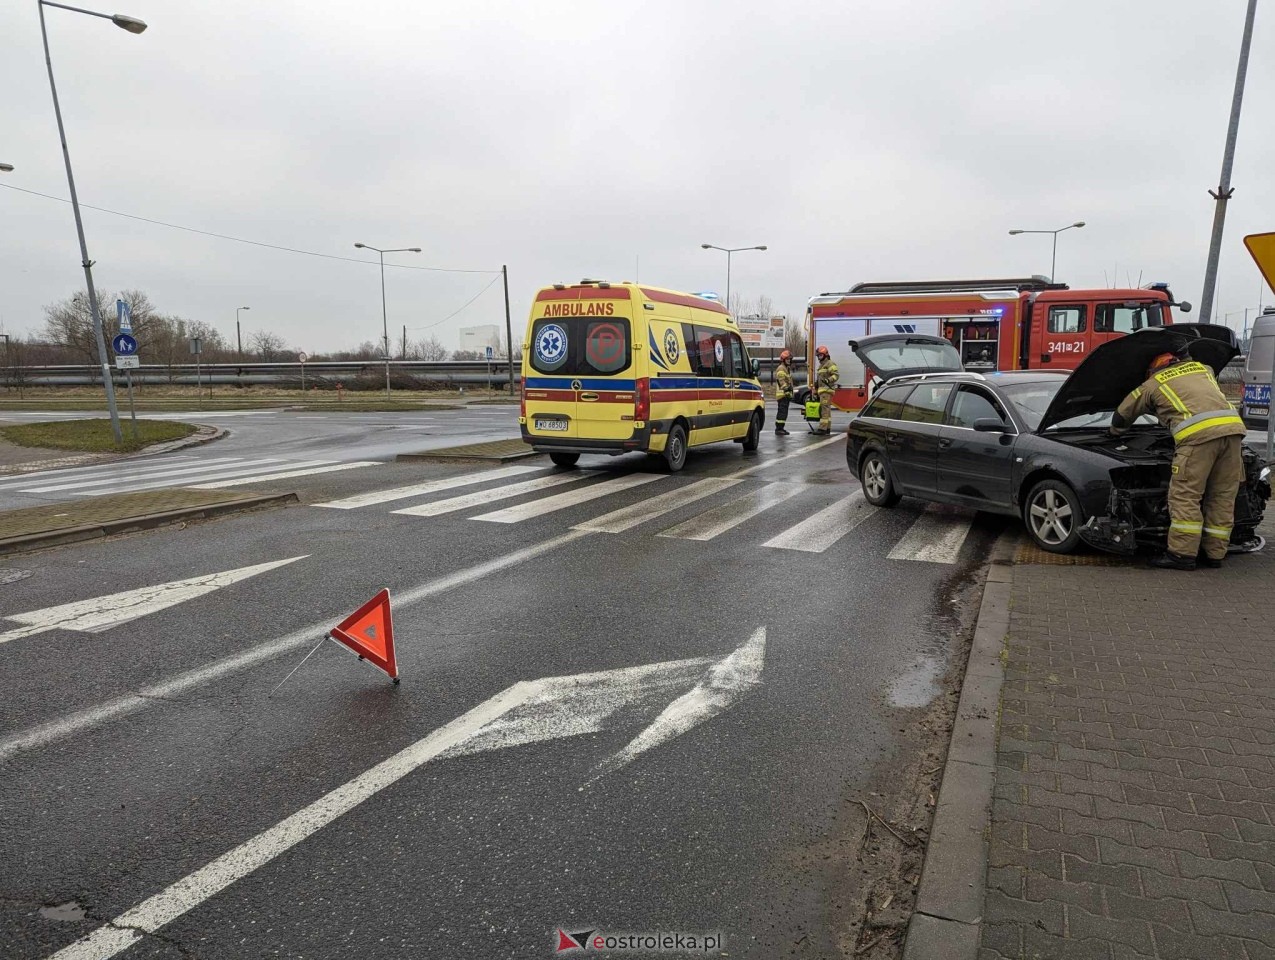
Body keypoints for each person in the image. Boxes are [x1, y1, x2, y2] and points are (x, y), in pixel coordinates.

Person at [1110, 349, 1246, 570]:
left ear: (1154, 370)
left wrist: (1115, 432)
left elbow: (1123, 414)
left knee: (1185, 496)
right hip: (1233, 433)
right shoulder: (1204, 369)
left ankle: (1182, 554)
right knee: (1222, 496)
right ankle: (1214, 554)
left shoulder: (1153, 384)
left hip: (1198, 438)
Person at [814, 345, 839, 435]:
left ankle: (822, 429)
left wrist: (828, 380)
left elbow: (836, 375)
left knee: (824, 410)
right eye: (818, 356)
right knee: (826, 410)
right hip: (822, 391)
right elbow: (819, 379)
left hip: (827, 390)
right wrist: (815, 387)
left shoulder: (830, 364)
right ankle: (827, 428)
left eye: (820, 355)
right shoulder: (821, 365)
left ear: (825, 354)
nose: (819, 358)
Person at [774, 350, 794, 435]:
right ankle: (779, 429)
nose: (789, 361)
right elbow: (781, 381)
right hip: (782, 395)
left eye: (790, 359)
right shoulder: (781, 368)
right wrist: (787, 389)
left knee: (784, 412)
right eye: (787, 359)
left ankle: (781, 428)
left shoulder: (786, 368)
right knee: (782, 412)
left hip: (785, 394)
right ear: (783, 360)